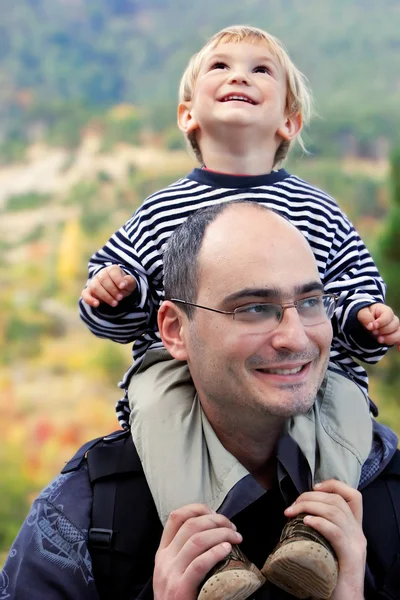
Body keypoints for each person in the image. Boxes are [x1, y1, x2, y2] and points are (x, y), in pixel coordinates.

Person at [2, 202, 400, 600]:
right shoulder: (83, 513)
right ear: (174, 330)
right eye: (254, 309)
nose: (295, 338)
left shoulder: (390, 494)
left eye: (311, 302)